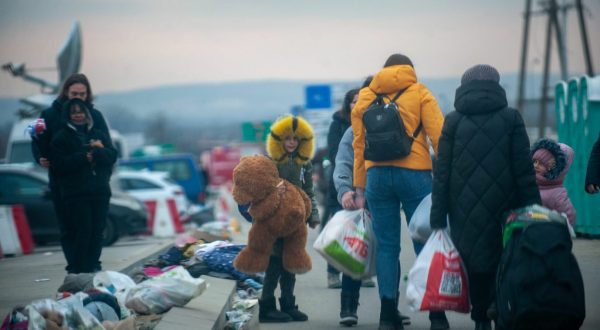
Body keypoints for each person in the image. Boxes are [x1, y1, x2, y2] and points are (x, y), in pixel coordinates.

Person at [429, 64, 541, 330]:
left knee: (475, 260)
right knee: (504, 256)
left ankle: (481, 318)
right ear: (496, 86)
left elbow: (442, 171)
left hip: (463, 207)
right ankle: (500, 308)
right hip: (506, 205)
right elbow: (523, 168)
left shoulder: (453, 121)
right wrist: (534, 208)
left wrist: (438, 216)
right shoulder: (512, 118)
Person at [351, 54, 446, 330]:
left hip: (377, 176)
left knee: (387, 246)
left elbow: (359, 145)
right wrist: (449, 175)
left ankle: (387, 315)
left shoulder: (366, 96)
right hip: (415, 174)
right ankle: (436, 316)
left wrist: (360, 187)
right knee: (425, 243)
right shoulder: (419, 92)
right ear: (409, 70)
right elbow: (440, 136)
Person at [31, 73, 112, 273]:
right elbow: (38, 140)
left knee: (94, 229)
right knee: (70, 229)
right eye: (74, 93)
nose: (78, 98)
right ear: (66, 92)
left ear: (88, 94)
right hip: (63, 183)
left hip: (94, 185)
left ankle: (92, 265)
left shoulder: (95, 116)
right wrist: (39, 157)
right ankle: (76, 268)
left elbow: (108, 148)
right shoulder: (50, 115)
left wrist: (101, 160)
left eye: (82, 94)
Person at [255, 115, 320, 323]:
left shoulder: (304, 162)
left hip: (296, 221)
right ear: (278, 140)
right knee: (274, 263)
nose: (292, 142)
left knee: (290, 263)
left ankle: (288, 304)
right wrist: (274, 190)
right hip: (274, 221)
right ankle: (266, 306)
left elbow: (309, 191)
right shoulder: (270, 161)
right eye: (287, 138)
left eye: (295, 138)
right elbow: (260, 188)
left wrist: (313, 215)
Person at [50, 99, 117, 273]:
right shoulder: (61, 138)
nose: (78, 115)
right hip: (76, 194)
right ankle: (79, 268)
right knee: (82, 232)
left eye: (81, 111)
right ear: (68, 116)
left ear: (86, 114)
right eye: (74, 112)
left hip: (100, 191)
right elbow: (58, 165)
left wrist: (100, 150)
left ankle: (93, 265)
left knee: (97, 232)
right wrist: (82, 157)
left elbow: (112, 157)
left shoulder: (98, 134)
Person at [323, 88, 366, 289]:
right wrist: (346, 183)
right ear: (348, 104)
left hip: (362, 187)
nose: (357, 104)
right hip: (341, 184)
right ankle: (333, 272)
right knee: (339, 232)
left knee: (362, 232)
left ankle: (362, 270)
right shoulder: (339, 125)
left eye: (361, 100)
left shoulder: (370, 123)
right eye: (353, 101)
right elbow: (334, 155)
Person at [531, 138, 576, 224]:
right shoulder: (529, 183)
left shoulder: (557, 193)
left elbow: (569, 215)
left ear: (552, 167)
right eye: (534, 162)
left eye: (541, 163)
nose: (535, 166)